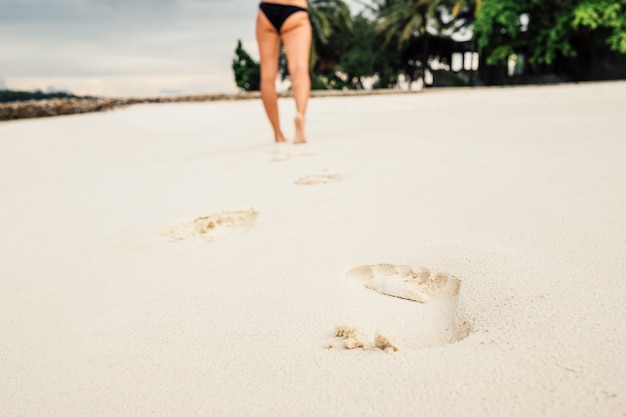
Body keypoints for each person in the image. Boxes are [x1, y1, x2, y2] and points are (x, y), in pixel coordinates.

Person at [256, 0, 311, 144]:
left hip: (267, 9)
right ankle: (300, 115)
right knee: (299, 70)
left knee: (267, 77)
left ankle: (278, 133)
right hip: (295, 9)